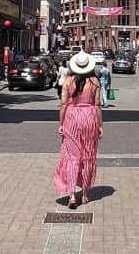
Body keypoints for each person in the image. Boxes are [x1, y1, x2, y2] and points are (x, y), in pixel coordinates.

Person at [53, 51, 102, 209]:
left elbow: (63, 104)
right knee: (88, 155)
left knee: (73, 157)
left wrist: (61, 123)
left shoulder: (68, 81)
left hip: (72, 117)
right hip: (89, 118)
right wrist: (100, 125)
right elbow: (97, 105)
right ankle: (86, 194)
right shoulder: (94, 81)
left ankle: (72, 195)